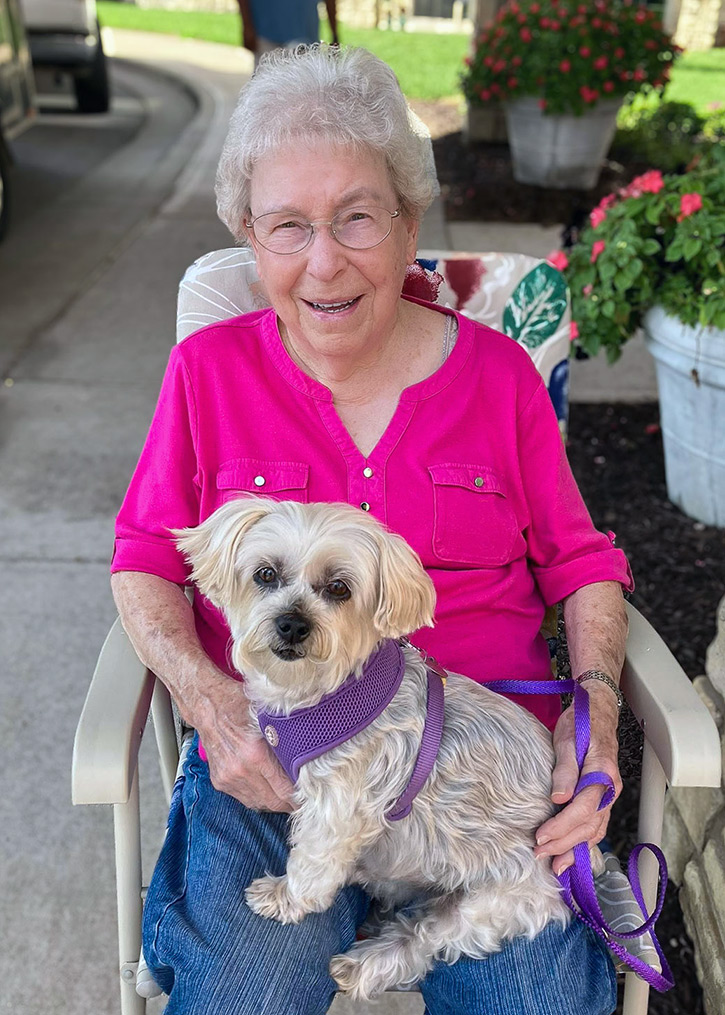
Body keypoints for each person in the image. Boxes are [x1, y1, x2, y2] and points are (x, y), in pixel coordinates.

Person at [111, 45, 632, 1015]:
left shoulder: (497, 378)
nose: (323, 261)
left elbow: (581, 562)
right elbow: (142, 558)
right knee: (241, 997)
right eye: (287, 226)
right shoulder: (207, 373)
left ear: (405, 223)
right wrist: (209, 703)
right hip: (271, 768)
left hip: (472, 794)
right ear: (248, 236)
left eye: (355, 217)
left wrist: (592, 714)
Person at [237, 0, 338, 66]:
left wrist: (334, 33)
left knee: (303, 90)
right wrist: (247, 26)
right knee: (264, 89)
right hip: (266, 35)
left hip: (304, 37)